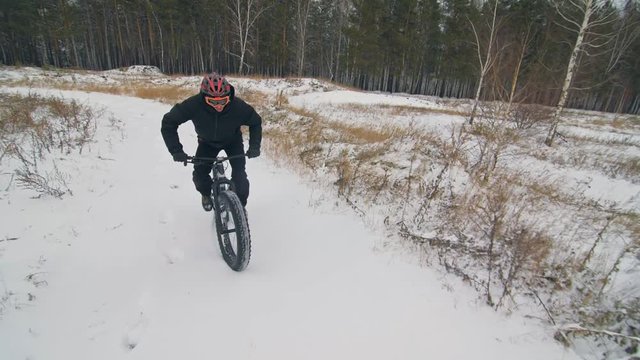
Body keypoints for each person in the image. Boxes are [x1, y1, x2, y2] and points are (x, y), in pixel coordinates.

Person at [161, 72, 262, 211]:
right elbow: (169, 122)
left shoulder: (238, 106)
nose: (219, 105)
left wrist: (254, 147)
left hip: (233, 141)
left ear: (229, 97)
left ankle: (240, 208)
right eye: (213, 102)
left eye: (223, 101)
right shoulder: (194, 104)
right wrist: (176, 150)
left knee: (240, 176)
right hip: (207, 143)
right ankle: (206, 194)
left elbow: (255, 122)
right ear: (204, 97)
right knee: (199, 175)